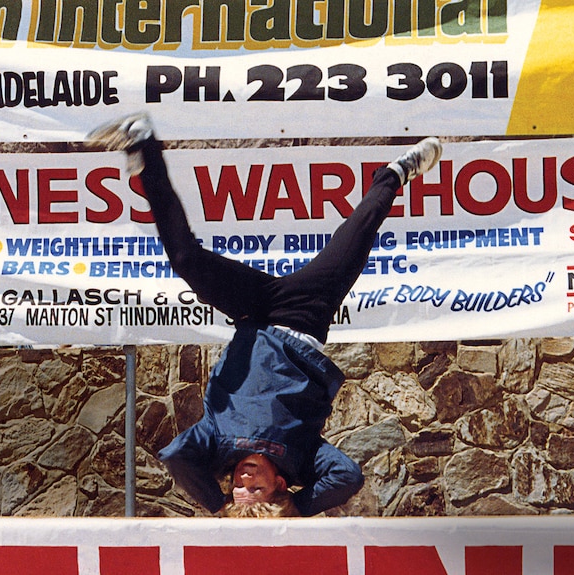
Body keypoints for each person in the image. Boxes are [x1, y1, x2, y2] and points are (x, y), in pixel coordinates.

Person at [87, 113, 442, 517]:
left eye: (238, 485)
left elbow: (175, 455)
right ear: (278, 485)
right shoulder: (303, 457)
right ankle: (396, 174)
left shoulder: (216, 442)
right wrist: (299, 505)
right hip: (304, 315)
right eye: (255, 488)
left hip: (252, 313)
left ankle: (143, 145)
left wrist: (220, 505)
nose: (243, 479)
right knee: (358, 235)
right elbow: (347, 477)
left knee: (186, 259)